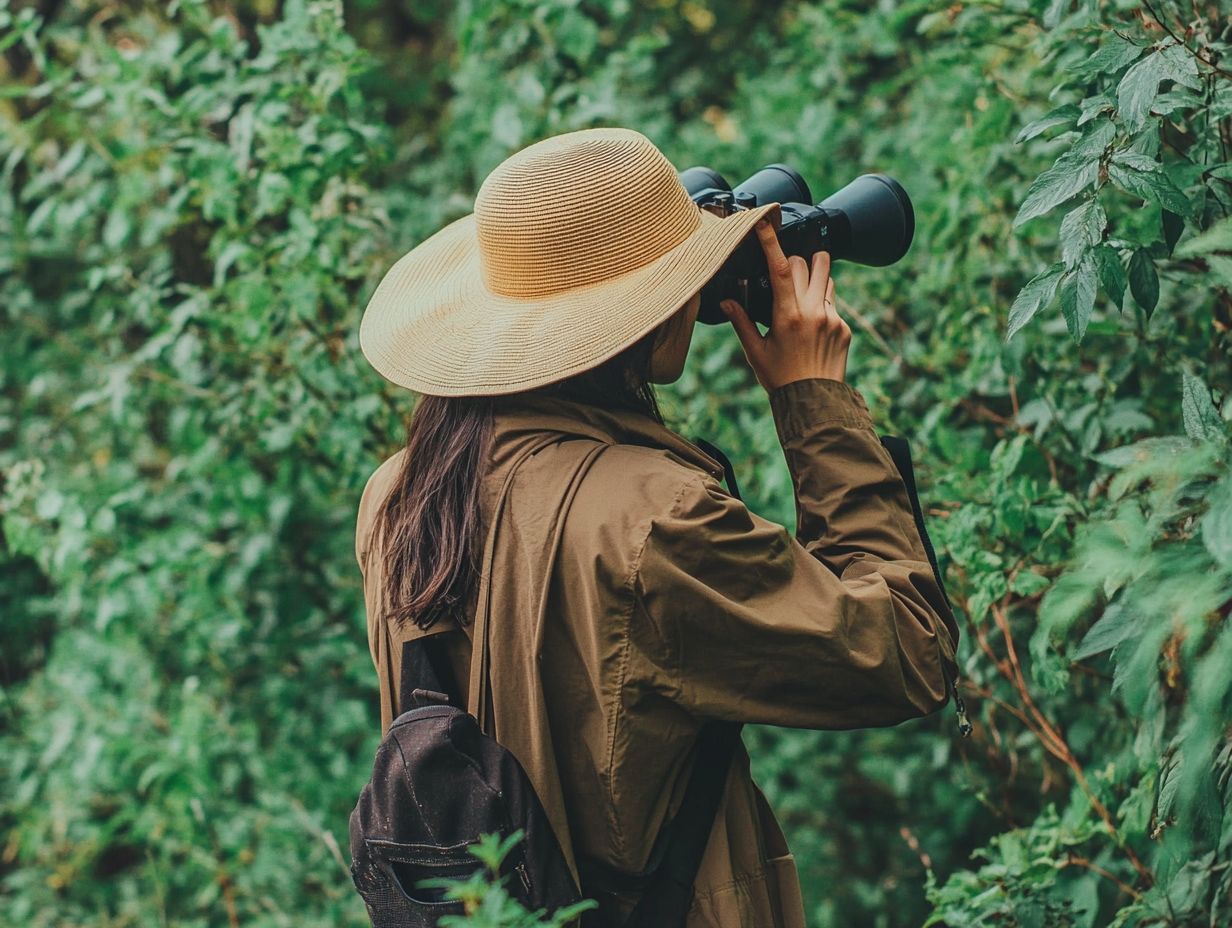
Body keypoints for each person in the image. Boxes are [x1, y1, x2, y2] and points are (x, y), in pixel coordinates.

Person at [353, 127, 960, 928]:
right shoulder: (650, 522)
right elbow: (907, 653)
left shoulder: (397, 493)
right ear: (644, 317)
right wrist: (815, 404)